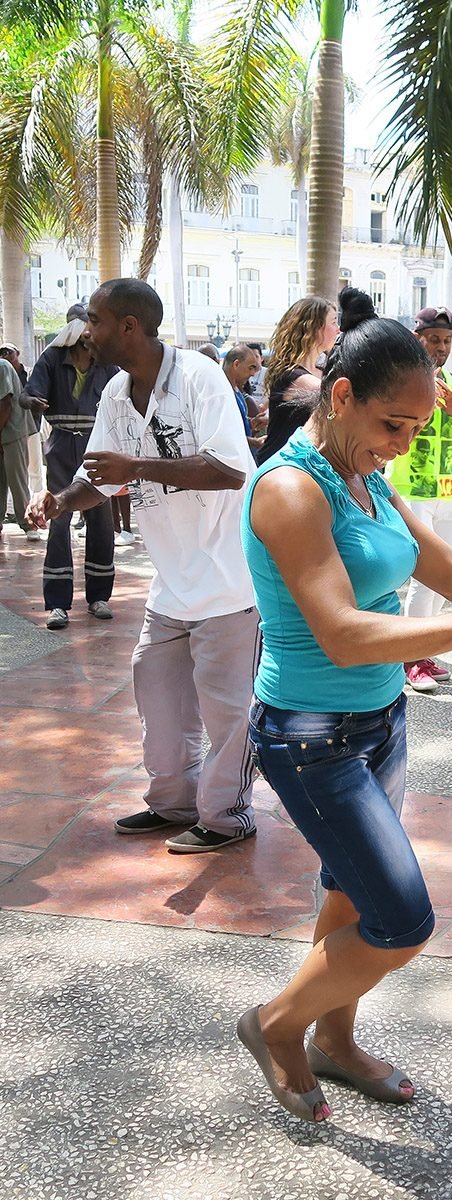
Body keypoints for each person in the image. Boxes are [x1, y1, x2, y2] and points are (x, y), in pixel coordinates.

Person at [237, 287, 452, 1124]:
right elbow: (344, 634)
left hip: (380, 720)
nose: (402, 446)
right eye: (394, 425)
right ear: (342, 395)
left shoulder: (366, 480)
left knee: (348, 895)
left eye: (417, 431)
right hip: (311, 737)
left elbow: (448, 572)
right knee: (401, 920)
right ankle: (276, 1025)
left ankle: (336, 1042)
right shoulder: (291, 489)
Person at [27, 279, 259, 853]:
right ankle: (173, 804)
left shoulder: (199, 378)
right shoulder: (114, 394)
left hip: (228, 586)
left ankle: (228, 816)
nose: (88, 332)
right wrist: (61, 499)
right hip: (171, 587)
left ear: (129, 326)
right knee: (158, 703)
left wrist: (138, 464)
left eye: (97, 321)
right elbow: (99, 477)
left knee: (228, 716)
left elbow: (232, 471)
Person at [388, 305, 452, 693]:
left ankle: (423, 648)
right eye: (433, 340)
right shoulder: (402, 379)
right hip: (411, 491)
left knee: (448, 575)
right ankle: (412, 656)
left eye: (446, 341)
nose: (441, 348)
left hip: (447, 492)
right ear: (417, 339)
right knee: (422, 577)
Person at [20, 311, 118, 625]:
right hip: (62, 447)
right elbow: (26, 395)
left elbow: (126, 395)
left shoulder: (106, 364)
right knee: (58, 520)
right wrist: (33, 402)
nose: (91, 346)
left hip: (97, 447)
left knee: (102, 519)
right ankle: (58, 603)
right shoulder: (52, 359)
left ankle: (99, 597)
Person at [256, 297, 339, 464]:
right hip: (279, 469)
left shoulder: (321, 372)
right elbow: (339, 397)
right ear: (314, 328)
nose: (338, 329)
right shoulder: (291, 376)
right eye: (334, 322)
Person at [0, 346, 37, 540]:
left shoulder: (2, 366)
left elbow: (5, 403)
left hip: (12, 432)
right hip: (3, 433)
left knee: (17, 481)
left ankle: (28, 524)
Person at [222, 342, 265, 453]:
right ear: (236, 364)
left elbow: (235, 423)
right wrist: (254, 442)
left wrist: (251, 422)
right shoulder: (221, 393)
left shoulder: (236, 391)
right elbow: (224, 435)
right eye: (250, 368)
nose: (253, 374)